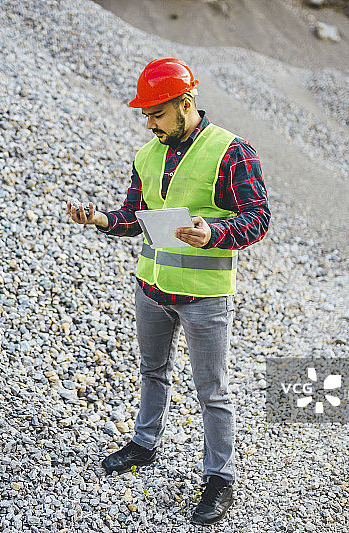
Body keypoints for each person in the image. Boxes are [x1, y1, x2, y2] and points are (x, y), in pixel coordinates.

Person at [65, 58, 270, 526]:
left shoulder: (232, 151)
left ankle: (220, 478)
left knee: (211, 389)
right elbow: (132, 215)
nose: (151, 123)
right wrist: (99, 219)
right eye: (147, 115)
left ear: (186, 102)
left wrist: (213, 233)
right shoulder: (147, 154)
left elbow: (257, 219)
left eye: (158, 113)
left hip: (204, 296)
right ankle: (144, 444)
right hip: (152, 286)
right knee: (151, 370)